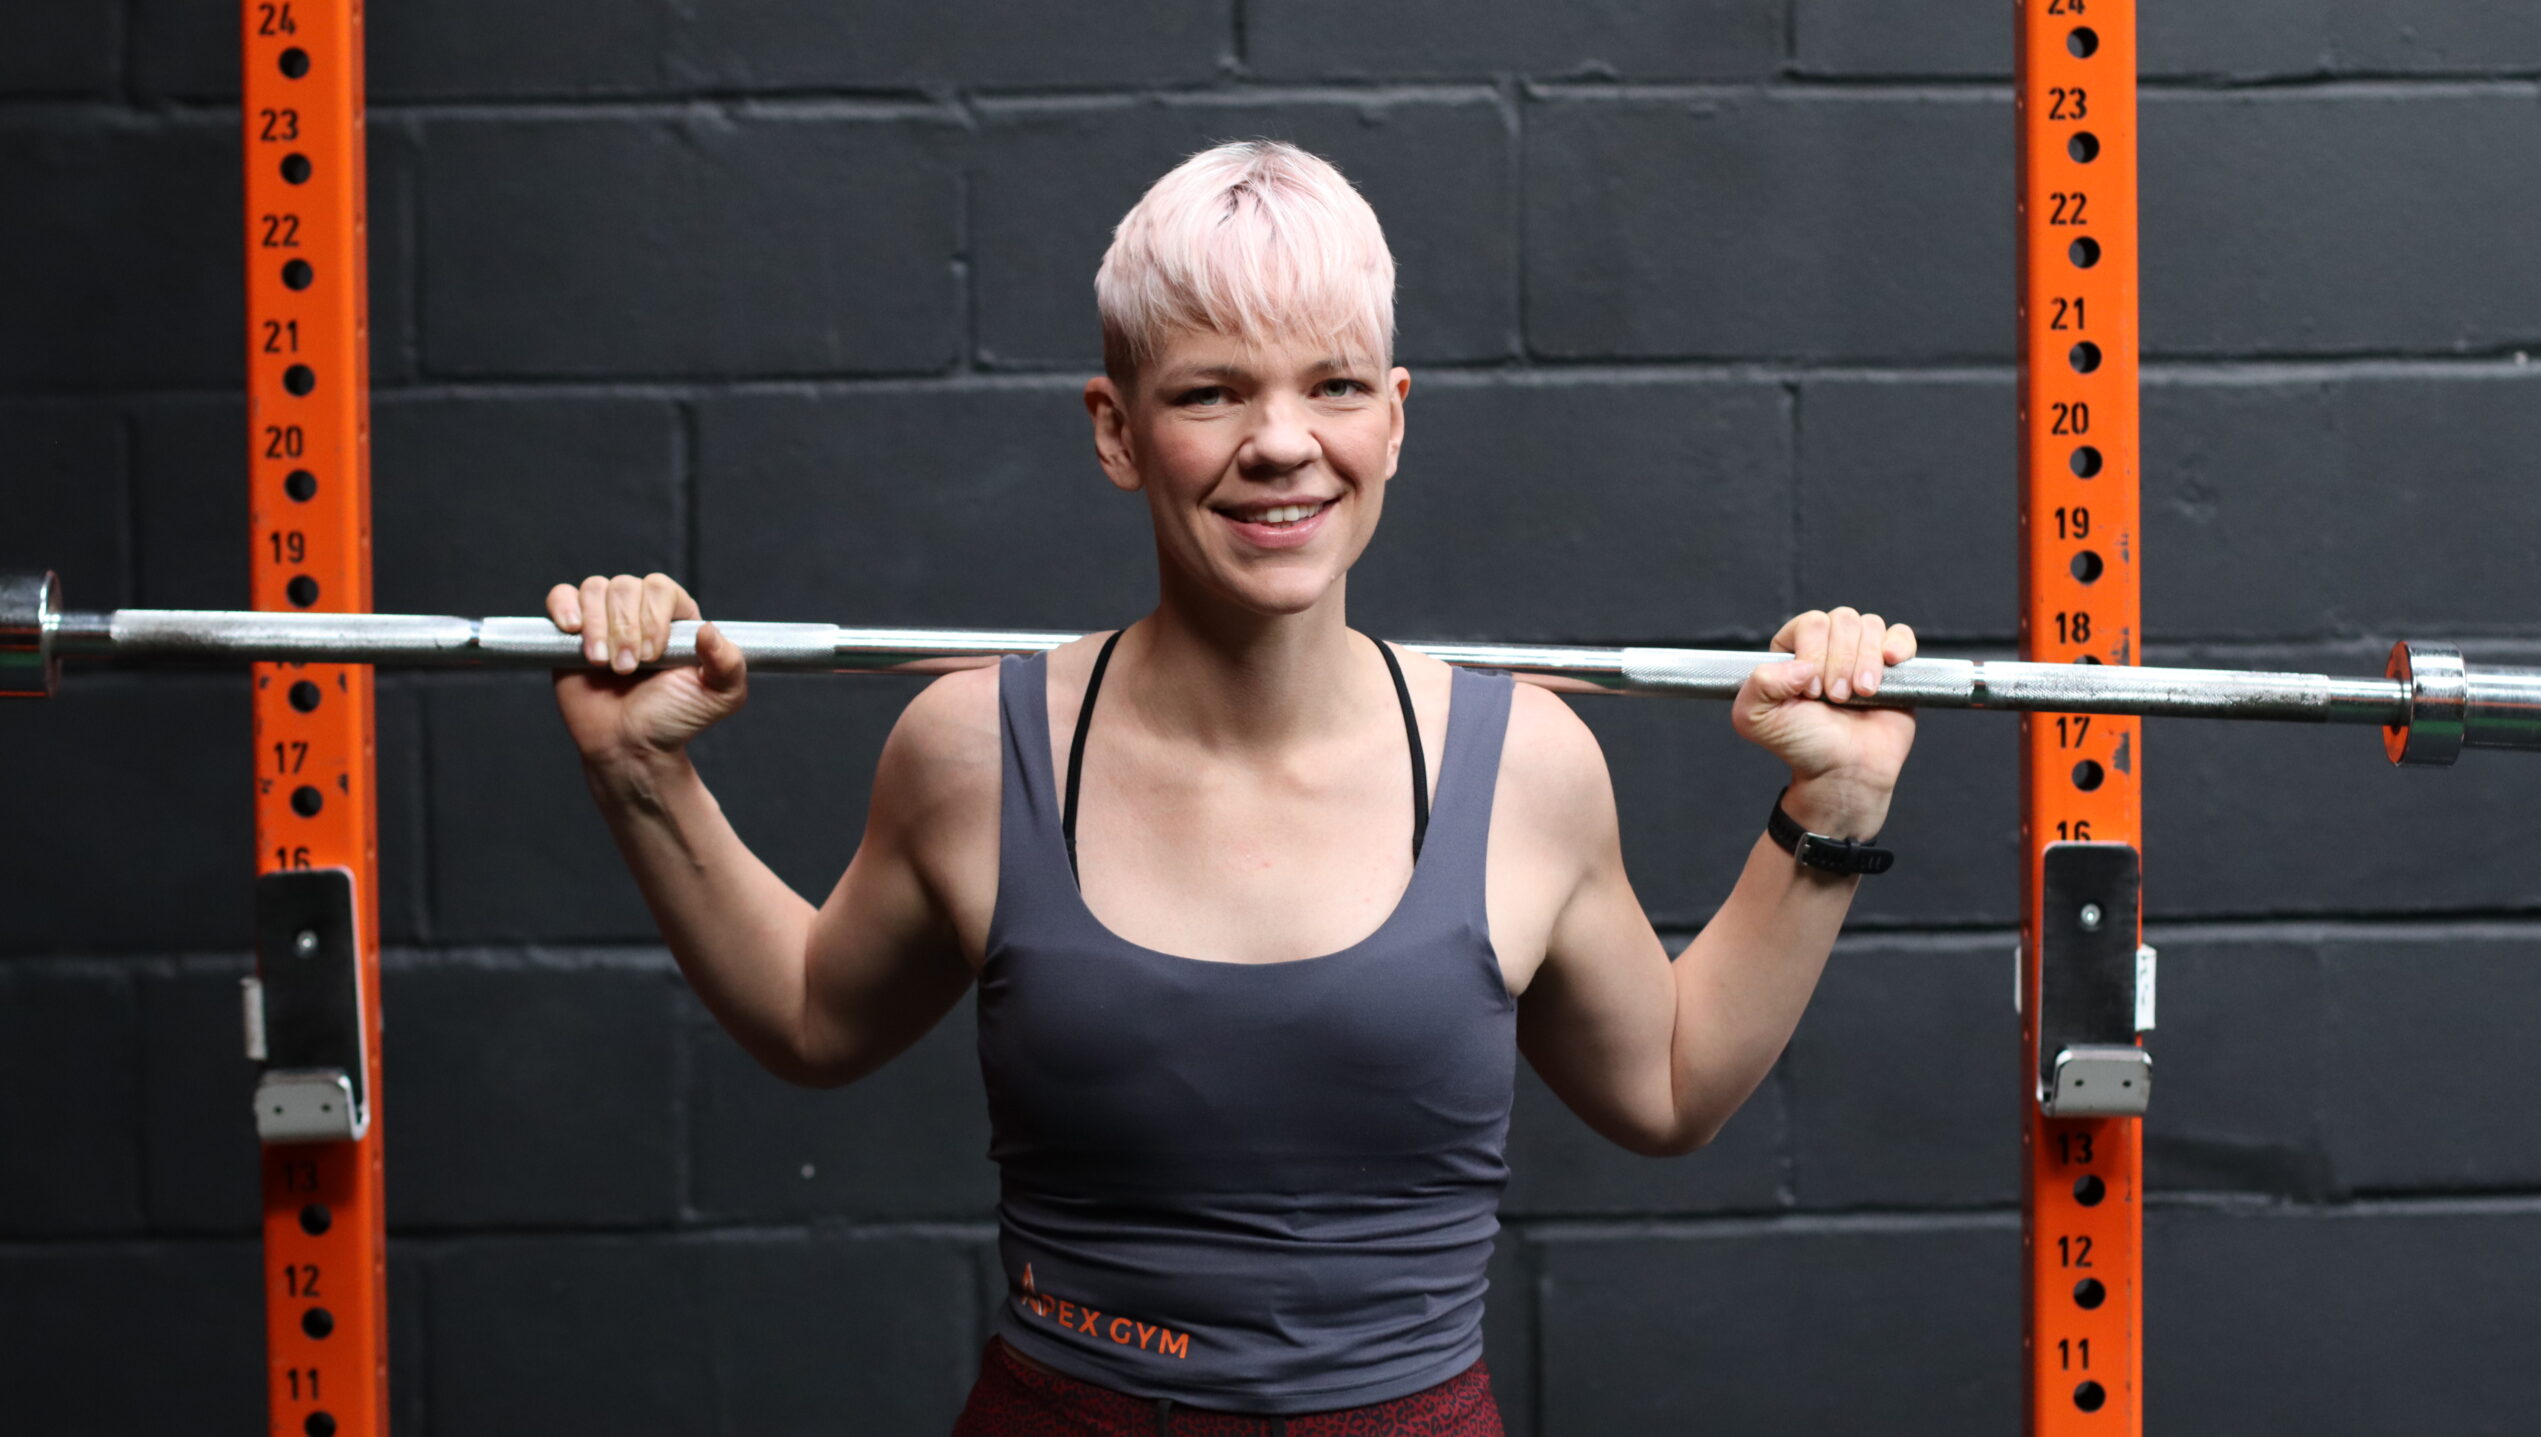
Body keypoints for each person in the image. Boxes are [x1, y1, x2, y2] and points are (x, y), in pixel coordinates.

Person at [546, 139, 1919, 1436]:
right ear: (1116, 428)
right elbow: (809, 1019)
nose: (1280, 442)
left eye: (1332, 386)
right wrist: (637, 770)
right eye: (1210, 392)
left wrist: (1836, 809)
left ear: (1393, 419)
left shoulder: (1529, 764)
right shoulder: (975, 746)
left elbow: (1668, 1089)